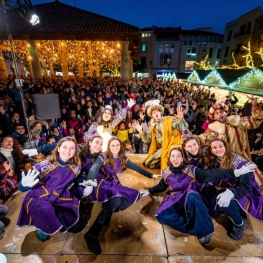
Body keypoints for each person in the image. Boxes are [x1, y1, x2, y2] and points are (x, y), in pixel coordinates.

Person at [139, 147, 256, 245]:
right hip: (176, 199)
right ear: (169, 158)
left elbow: (212, 173)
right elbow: (161, 186)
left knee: (191, 195)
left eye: (178, 156)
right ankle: (196, 226)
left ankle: (205, 231)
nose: (175, 159)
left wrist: (234, 172)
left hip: (193, 198)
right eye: (173, 156)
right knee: (161, 216)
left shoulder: (192, 169)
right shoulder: (165, 172)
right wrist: (149, 191)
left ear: (182, 158)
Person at [82, 137, 160, 255]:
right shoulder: (103, 156)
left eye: (117, 145)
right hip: (101, 182)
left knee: (134, 195)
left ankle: (109, 206)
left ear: (120, 146)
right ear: (108, 147)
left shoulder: (121, 157)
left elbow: (135, 167)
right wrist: (88, 182)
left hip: (113, 182)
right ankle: (92, 234)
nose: (115, 148)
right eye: (112, 145)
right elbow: (93, 169)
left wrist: (149, 175)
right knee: (116, 199)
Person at [16, 137, 94, 242]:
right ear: (58, 148)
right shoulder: (44, 165)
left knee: (75, 227)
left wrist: (85, 183)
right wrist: (24, 185)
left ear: (75, 150)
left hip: (61, 195)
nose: (68, 151)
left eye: (72, 148)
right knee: (47, 220)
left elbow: (76, 178)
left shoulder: (76, 166)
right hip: (40, 197)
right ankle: (41, 229)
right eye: (65, 147)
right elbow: (22, 186)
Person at [205, 138, 263, 240]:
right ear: (211, 150)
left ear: (225, 147)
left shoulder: (240, 163)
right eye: (214, 148)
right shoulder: (215, 159)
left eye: (220, 146)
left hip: (247, 192)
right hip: (231, 188)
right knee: (213, 205)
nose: (218, 149)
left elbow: (245, 186)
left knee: (225, 202)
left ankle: (240, 223)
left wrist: (231, 193)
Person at [199, 95, 263, 186]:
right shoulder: (213, 130)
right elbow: (202, 139)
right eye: (217, 113)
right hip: (224, 162)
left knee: (256, 179)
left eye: (221, 112)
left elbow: (256, 120)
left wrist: (255, 105)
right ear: (214, 117)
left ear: (226, 112)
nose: (220, 114)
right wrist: (188, 136)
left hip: (242, 158)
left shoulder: (238, 121)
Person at [134, 99, 188, 170]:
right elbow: (147, 140)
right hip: (162, 148)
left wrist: (181, 120)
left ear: (160, 113)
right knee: (148, 163)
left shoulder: (169, 120)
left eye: (157, 111)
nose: (156, 113)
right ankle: (167, 163)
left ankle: (172, 164)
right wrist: (140, 131)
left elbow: (184, 128)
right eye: (153, 112)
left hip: (172, 146)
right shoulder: (153, 126)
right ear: (152, 115)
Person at [0, 136, 22, 203]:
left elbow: (18, 168)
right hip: (4, 186)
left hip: (14, 181)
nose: (9, 142)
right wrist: (6, 172)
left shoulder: (15, 153)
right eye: (6, 141)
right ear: (1, 143)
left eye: (11, 141)